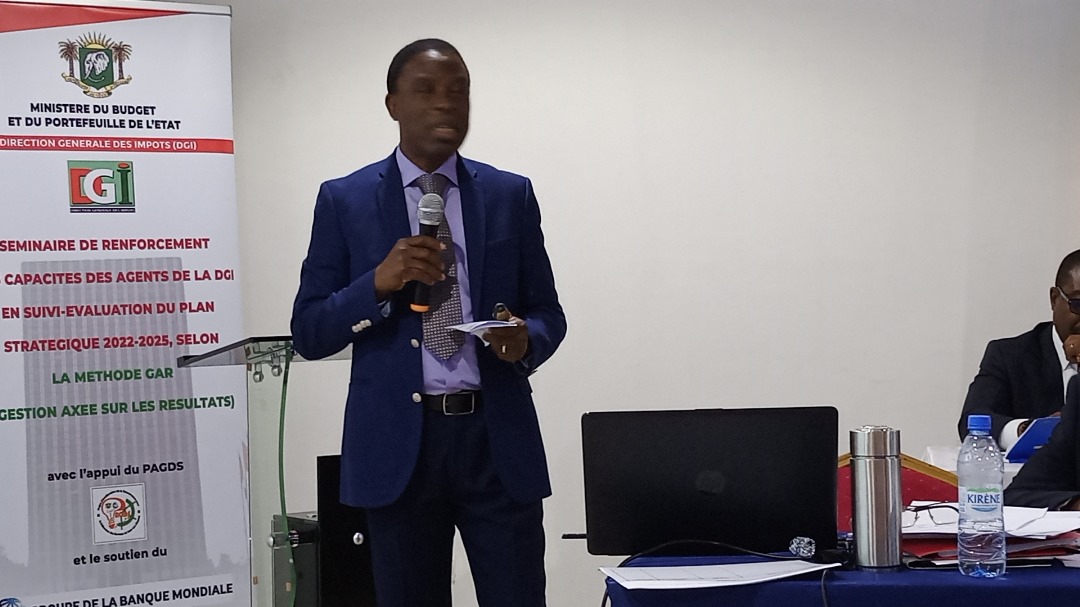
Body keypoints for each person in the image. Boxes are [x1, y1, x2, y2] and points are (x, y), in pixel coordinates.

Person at [291, 39, 566, 607]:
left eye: (459, 90)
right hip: (399, 451)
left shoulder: (510, 194)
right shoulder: (344, 200)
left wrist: (525, 340)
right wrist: (376, 284)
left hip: (495, 443)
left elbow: (548, 315)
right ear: (392, 104)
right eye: (426, 90)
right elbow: (310, 332)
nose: (446, 102)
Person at [957, 250, 1080, 449]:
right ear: (1054, 298)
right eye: (1078, 304)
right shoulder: (1009, 356)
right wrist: (1028, 430)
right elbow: (973, 419)